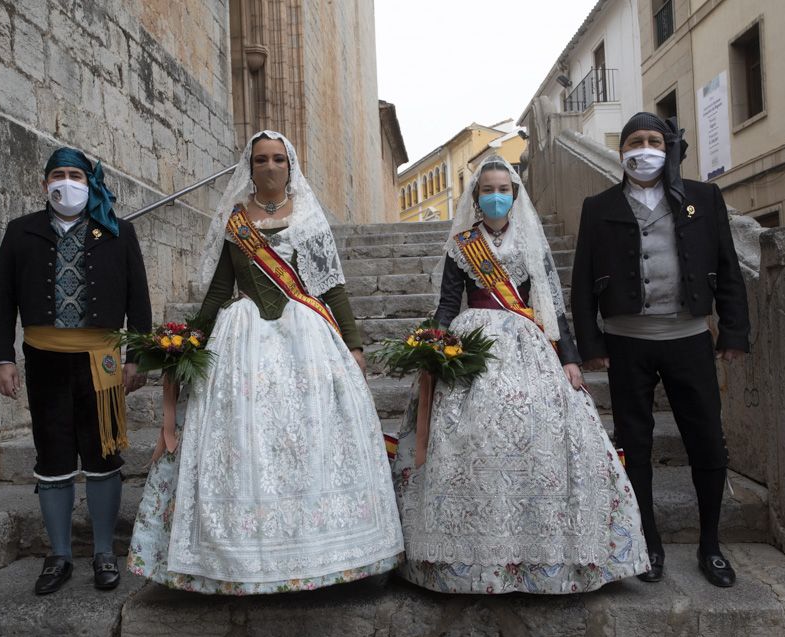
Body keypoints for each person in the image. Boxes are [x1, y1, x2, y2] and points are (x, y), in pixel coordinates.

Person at [127, 130, 403, 594]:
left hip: (308, 339)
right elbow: (218, 290)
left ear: (290, 166)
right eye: (260, 160)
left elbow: (331, 287)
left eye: (278, 159)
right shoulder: (236, 223)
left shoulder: (310, 218)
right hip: (243, 340)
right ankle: (239, 558)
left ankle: (324, 552)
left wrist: (353, 344)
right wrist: (186, 341)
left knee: (309, 436)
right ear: (249, 168)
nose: (270, 167)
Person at [391, 156, 649, 594]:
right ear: (476, 199)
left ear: (514, 195)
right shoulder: (462, 244)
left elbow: (552, 304)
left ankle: (548, 546)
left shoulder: (531, 240)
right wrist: (434, 347)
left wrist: (568, 357)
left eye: (503, 189)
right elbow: (448, 303)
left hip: (527, 340)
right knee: (467, 432)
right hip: (472, 340)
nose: (496, 196)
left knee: (547, 425)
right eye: (487, 190)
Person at [570, 112, 750, 588]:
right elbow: (582, 282)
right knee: (635, 445)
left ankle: (710, 544)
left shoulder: (703, 198)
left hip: (689, 338)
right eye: (634, 142)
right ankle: (648, 543)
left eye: (653, 141)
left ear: (668, 147)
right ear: (622, 151)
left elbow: (728, 268)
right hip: (627, 344)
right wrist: (590, 343)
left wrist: (733, 332)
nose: (643, 149)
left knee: (707, 441)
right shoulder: (598, 205)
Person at [0, 147, 151, 594]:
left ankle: (103, 552)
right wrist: (2, 358)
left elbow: (138, 298)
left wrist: (138, 356)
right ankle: (58, 555)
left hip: (101, 359)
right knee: (53, 453)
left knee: (103, 455)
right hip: (44, 359)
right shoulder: (21, 232)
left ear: (89, 182)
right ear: (45, 183)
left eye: (75, 174)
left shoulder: (117, 231)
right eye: (57, 174)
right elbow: (2, 300)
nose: (66, 182)